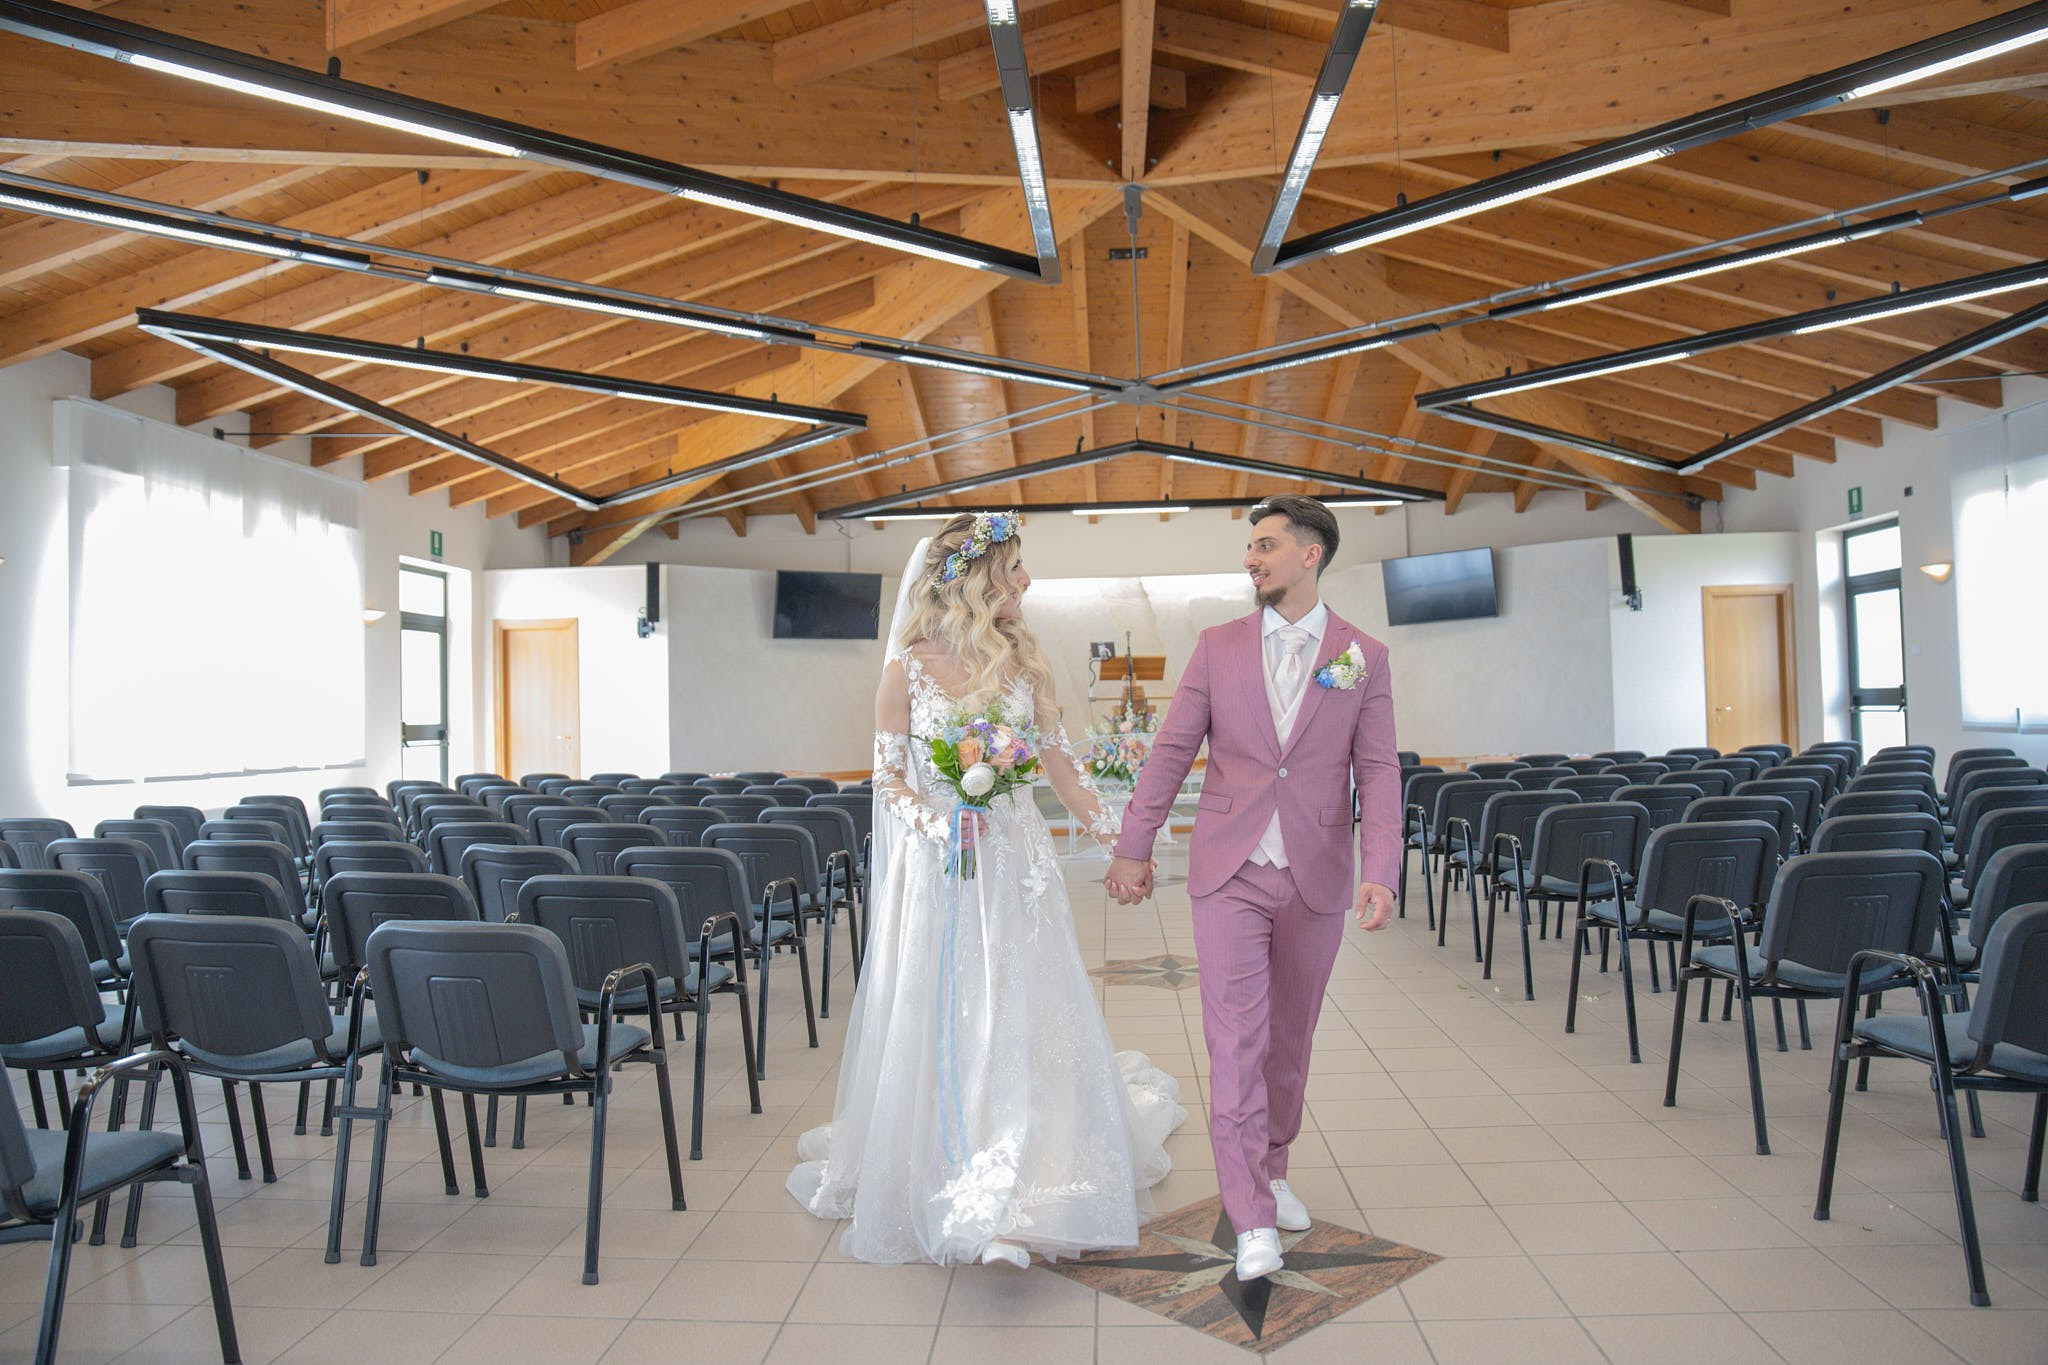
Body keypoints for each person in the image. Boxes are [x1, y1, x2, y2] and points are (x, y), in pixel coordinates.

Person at [787, 511, 1185, 1267]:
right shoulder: (904, 671)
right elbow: (888, 781)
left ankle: (1030, 1181)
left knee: (1024, 1006)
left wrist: (1123, 840)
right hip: (942, 870)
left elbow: (1063, 770)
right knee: (951, 1010)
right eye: (1015, 567)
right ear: (976, 578)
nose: (1027, 580)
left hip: (1017, 868)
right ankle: (961, 1178)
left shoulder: (1025, 665)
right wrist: (937, 824)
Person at [1105, 494, 1401, 1282]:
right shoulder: (1217, 648)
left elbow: (1378, 768)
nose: (1251, 559)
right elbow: (1172, 751)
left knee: (1289, 1044)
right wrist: (1134, 845)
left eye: (1265, 545)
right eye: (1250, 547)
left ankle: (1271, 1167)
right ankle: (1251, 1214)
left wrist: (1381, 866)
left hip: (1317, 873)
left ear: (1310, 553)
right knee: (1237, 1042)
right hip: (1229, 872)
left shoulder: (1363, 656)